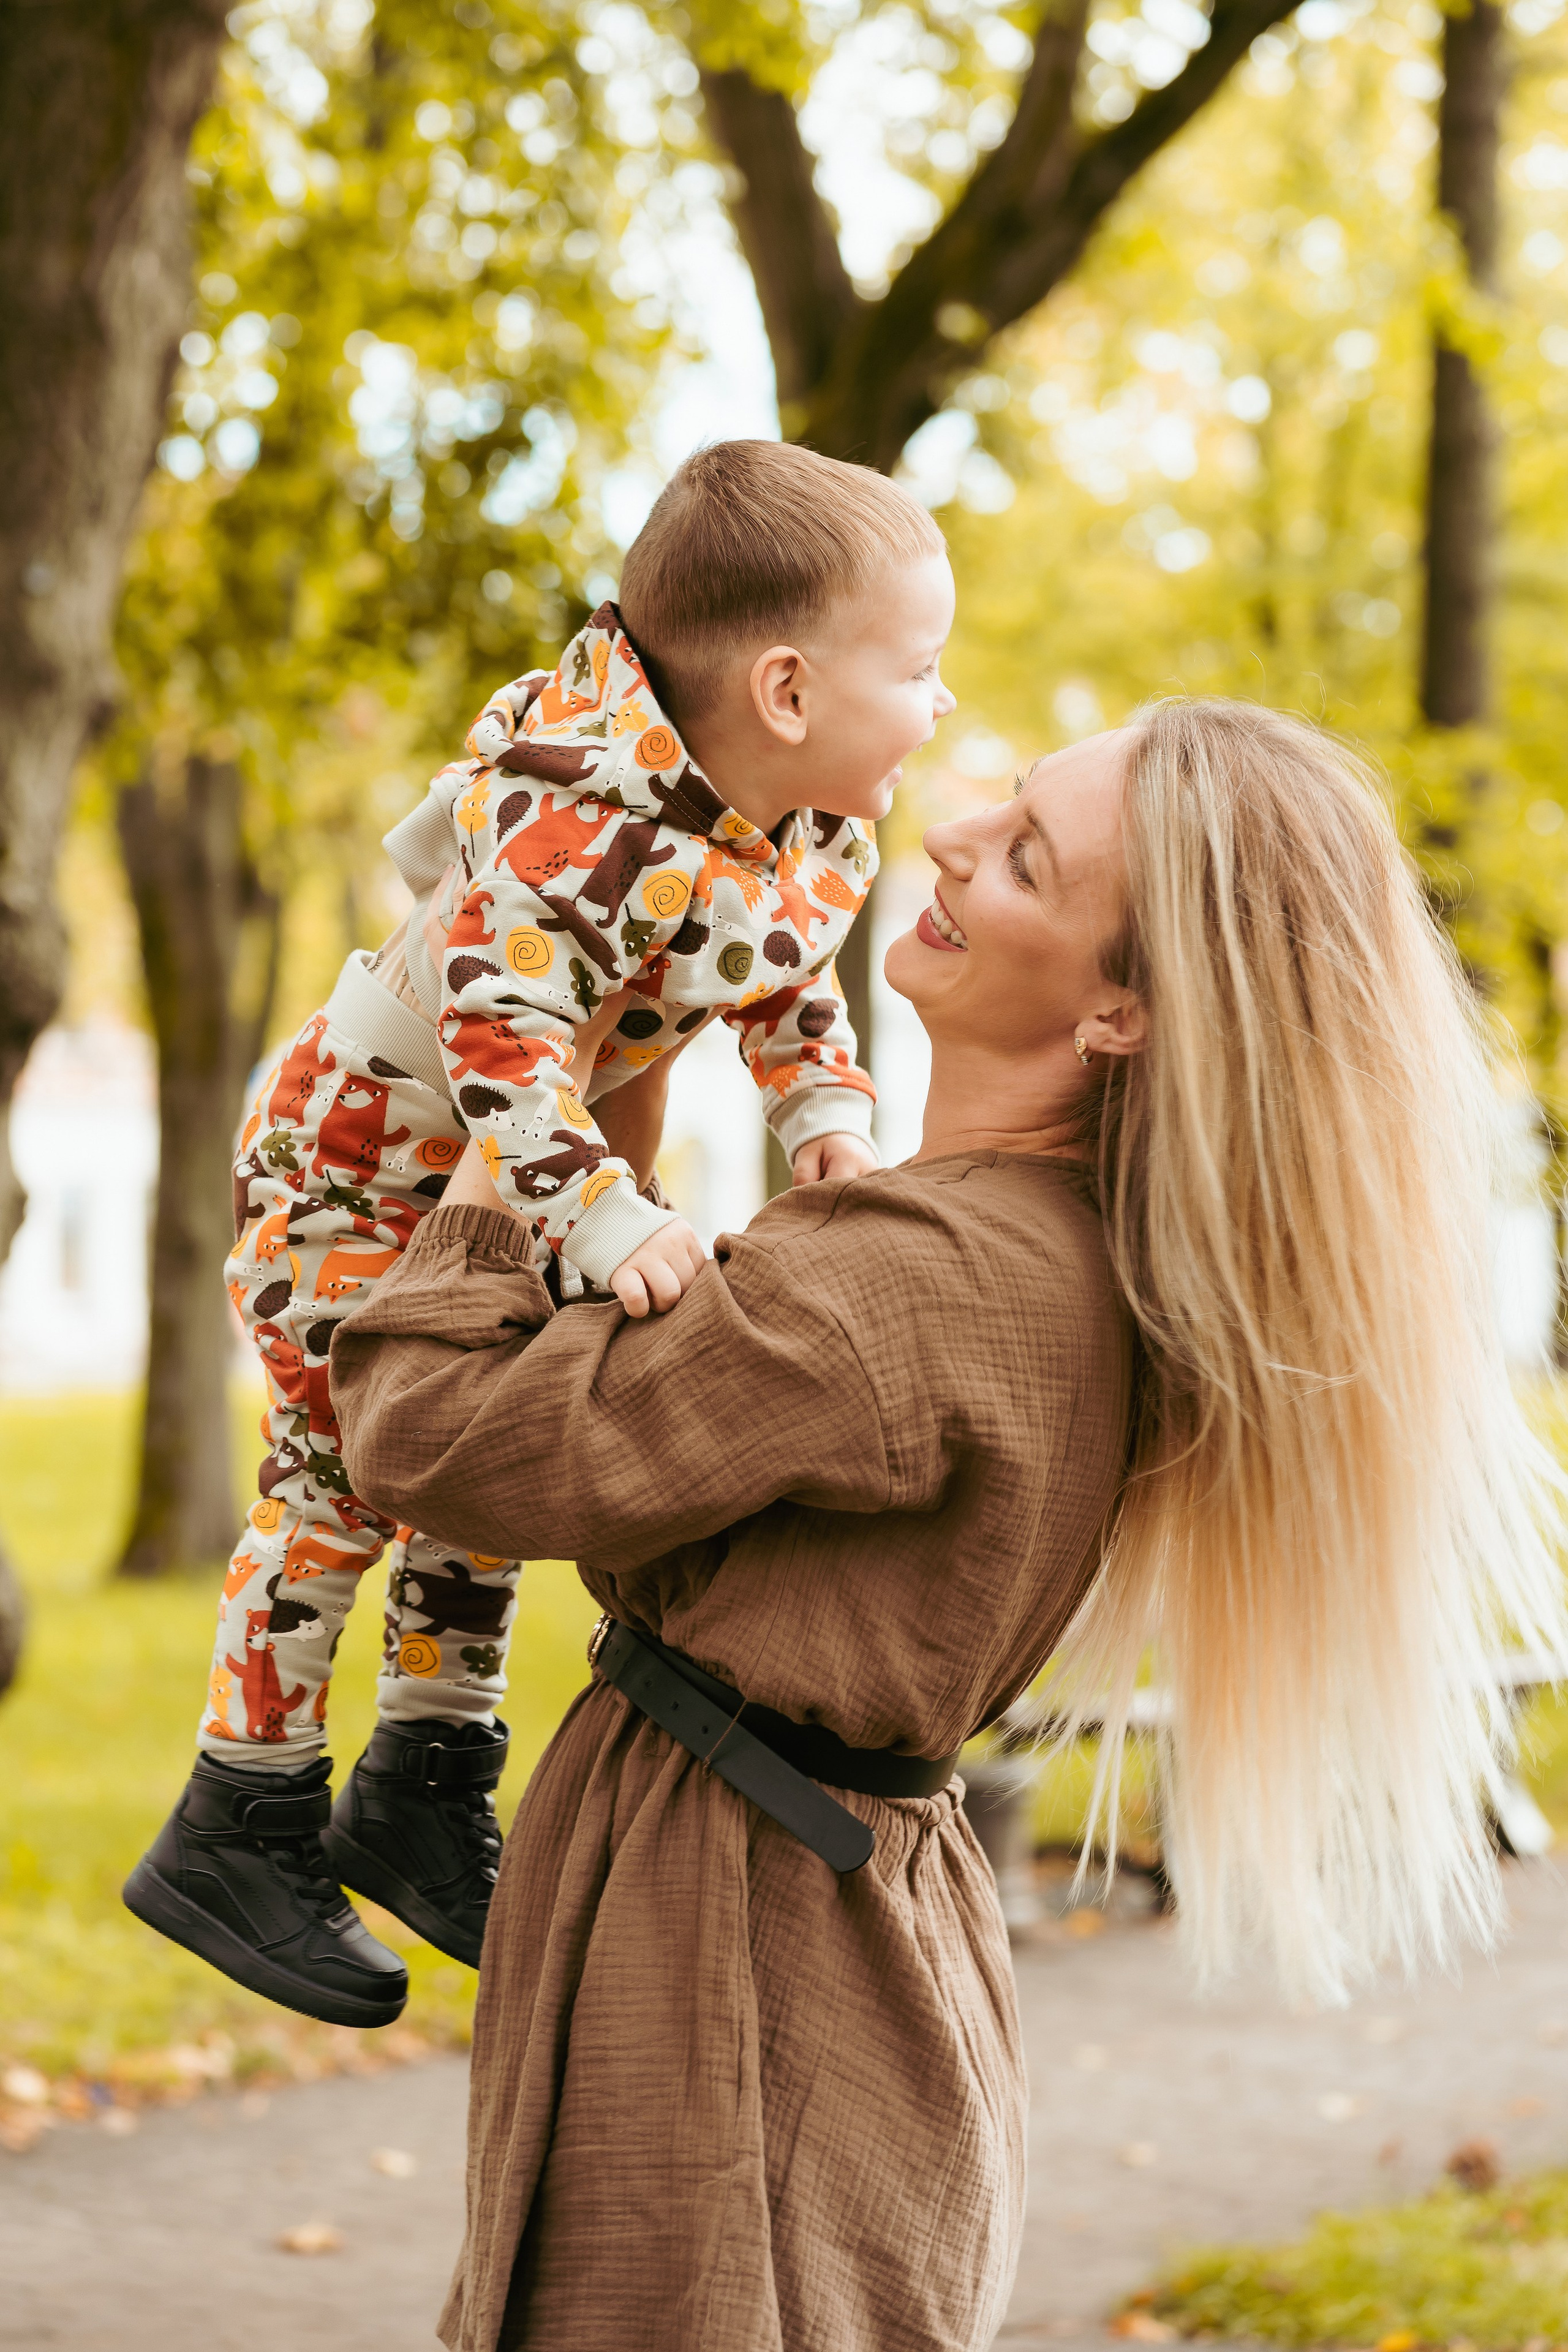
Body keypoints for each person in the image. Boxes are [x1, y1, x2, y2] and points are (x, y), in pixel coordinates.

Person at [329, 696, 1566, 2351]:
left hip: (742, 1964)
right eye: (999, 805)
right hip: (816, 1934)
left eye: (1029, 857)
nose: (950, 835)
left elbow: (436, 1433)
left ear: (1123, 1006)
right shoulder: (1041, 1256)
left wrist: (507, 1093)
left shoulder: (914, 1284)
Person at [121, 440, 956, 2030]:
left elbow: (781, 986)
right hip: (356, 1173)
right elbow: (502, 1025)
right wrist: (601, 1207)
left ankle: (425, 1780)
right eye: (918, 669)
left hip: (491, 1195)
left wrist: (826, 1121)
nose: (943, 706)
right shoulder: (573, 809)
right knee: (343, 1476)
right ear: (786, 689)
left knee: (483, 1460)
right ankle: (240, 1811)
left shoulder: (806, 829)